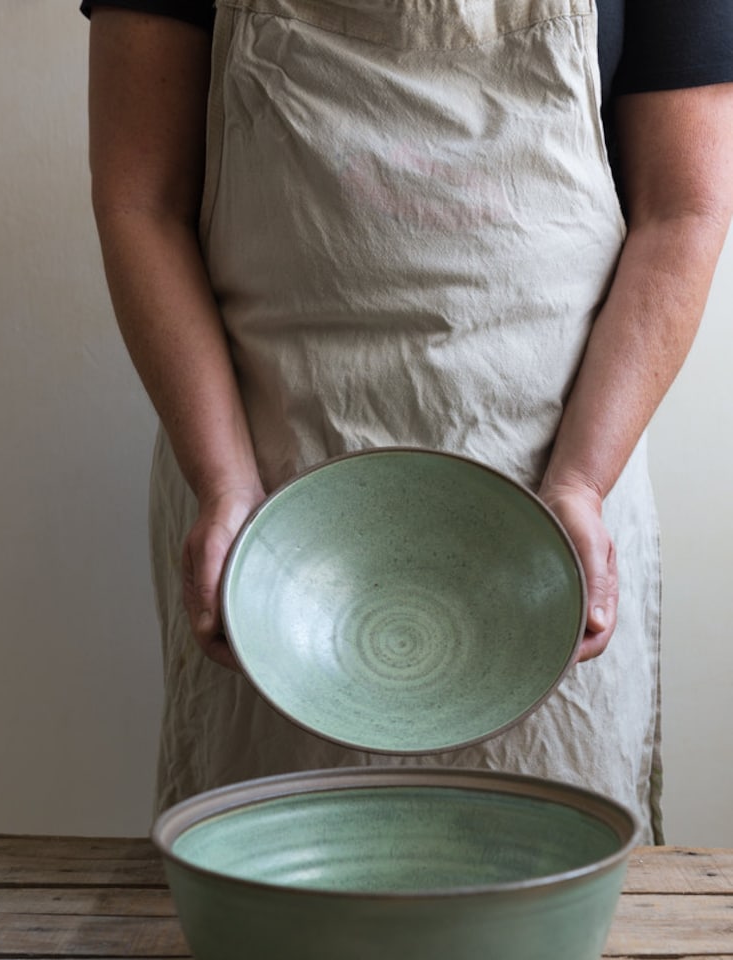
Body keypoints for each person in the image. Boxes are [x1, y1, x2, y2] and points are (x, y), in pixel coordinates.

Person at [83, 0, 733, 843]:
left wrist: (581, 479)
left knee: (541, 894)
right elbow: (142, 199)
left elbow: (683, 209)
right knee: (282, 884)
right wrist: (223, 481)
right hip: (270, 512)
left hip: (555, 508)